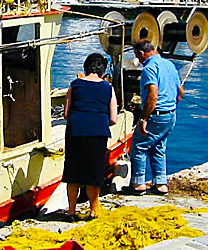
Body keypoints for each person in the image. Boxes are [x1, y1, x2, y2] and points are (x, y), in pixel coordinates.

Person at [62, 53, 118, 219]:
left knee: (73, 173)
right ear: (103, 70)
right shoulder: (108, 88)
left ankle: (71, 211)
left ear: (85, 68)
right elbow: (114, 119)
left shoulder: (75, 85)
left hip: (76, 131)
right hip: (97, 132)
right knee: (94, 173)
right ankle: (93, 211)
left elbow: (66, 114)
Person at [129, 41, 183, 194]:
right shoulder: (169, 65)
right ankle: (160, 184)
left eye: (138, 57)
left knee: (138, 147)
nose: (139, 61)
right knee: (158, 148)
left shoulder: (149, 68)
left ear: (141, 53)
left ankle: (138, 184)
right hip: (170, 115)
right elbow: (180, 92)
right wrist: (171, 107)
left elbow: (153, 95)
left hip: (156, 115)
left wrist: (144, 118)